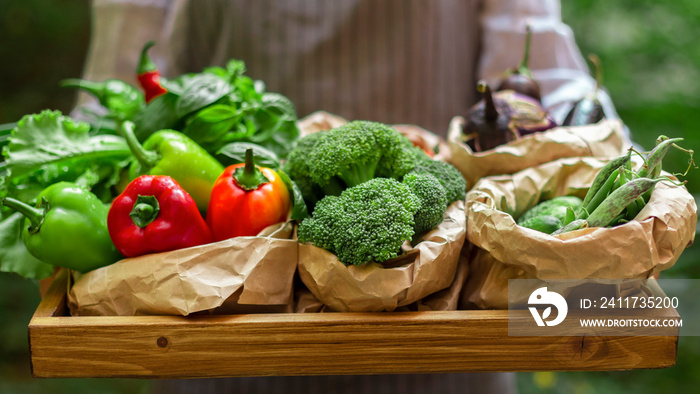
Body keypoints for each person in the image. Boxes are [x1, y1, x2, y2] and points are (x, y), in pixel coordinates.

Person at [75, 1, 619, 392]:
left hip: (441, 328)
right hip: (221, 328)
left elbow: (539, 79)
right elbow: (114, 92)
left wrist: (607, 152)